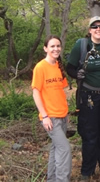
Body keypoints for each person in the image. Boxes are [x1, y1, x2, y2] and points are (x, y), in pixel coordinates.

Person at [66, 16, 100, 180]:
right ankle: (87, 170)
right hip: (89, 95)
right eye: (95, 26)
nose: (98, 29)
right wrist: (77, 74)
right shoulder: (81, 45)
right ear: (90, 30)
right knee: (90, 134)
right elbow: (70, 67)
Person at [32, 35, 72, 182]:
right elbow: (36, 92)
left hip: (62, 115)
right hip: (51, 117)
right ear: (45, 48)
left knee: (56, 148)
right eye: (52, 46)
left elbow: (61, 92)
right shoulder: (40, 67)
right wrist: (45, 116)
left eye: (58, 46)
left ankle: (52, 179)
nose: (56, 49)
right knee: (65, 149)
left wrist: (66, 112)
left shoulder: (58, 66)